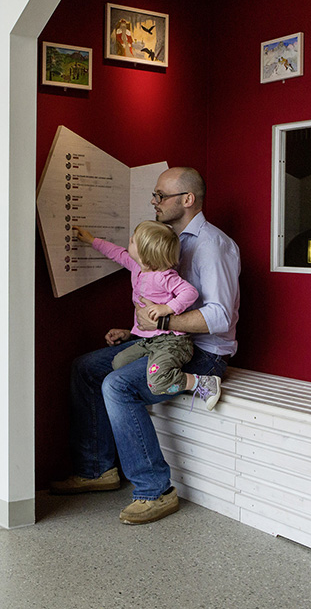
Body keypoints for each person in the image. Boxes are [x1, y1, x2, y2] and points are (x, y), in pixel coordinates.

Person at [51, 167, 240, 525]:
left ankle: (155, 490)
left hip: (204, 354)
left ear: (187, 200)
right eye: (154, 195)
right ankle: (97, 470)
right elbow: (153, 289)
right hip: (159, 341)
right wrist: (138, 329)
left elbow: (220, 318)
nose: (154, 202)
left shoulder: (212, 246)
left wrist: (162, 322)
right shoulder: (167, 240)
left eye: (160, 196)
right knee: (87, 368)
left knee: (117, 385)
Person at [74, 220, 219, 404]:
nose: (129, 240)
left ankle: (201, 382)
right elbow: (117, 253)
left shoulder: (163, 276)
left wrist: (167, 308)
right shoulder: (137, 267)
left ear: (145, 254)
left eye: (133, 240)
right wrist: (92, 240)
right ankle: (157, 368)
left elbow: (190, 292)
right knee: (118, 363)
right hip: (150, 340)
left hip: (172, 341)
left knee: (157, 383)